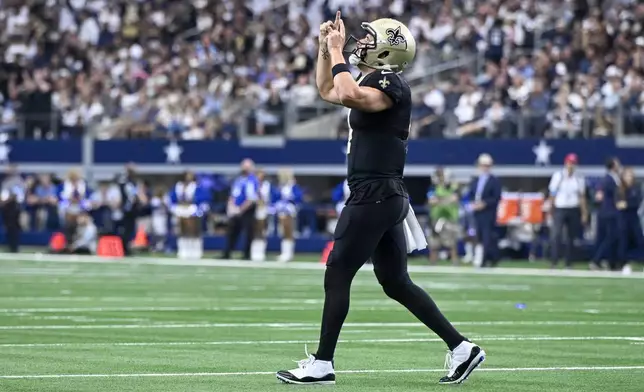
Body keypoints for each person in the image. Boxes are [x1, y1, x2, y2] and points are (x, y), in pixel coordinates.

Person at [276, 12, 485, 386]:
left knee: (338, 271)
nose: (363, 42)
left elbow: (347, 93)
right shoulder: (372, 78)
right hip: (382, 194)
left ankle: (323, 363)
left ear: (389, 51)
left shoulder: (391, 83)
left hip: (375, 192)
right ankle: (462, 348)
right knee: (395, 281)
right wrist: (325, 50)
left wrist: (337, 50)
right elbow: (328, 90)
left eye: (371, 39)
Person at [547, 153, 587, 269]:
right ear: (566, 163)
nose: (571, 165)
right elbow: (552, 193)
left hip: (573, 208)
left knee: (571, 237)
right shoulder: (558, 176)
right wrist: (550, 208)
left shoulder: (579, 178)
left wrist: (584, 212)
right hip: (560, 208)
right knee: (556, 235)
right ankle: (554, 260)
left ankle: (569, 262)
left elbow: (581, 196)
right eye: (570, 163)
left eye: (573, 163)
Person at [468, 154, 501, 267]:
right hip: (477, 212)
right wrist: (473, 203)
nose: (485, 167)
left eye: (487, 165)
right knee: (479, 236)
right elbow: (472, 194)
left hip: (488, 212)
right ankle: (480, 257)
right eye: (483, 165)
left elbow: (496, 197)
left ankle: (486, 260)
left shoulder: (494, 181)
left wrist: (484, 204)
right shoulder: (475, 180)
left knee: (487, 236)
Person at [222, 159, 258, 260]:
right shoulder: (238, 179)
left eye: (247, 167)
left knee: (248, 232)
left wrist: (241, 209)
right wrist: (231, 207)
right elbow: (233, 195)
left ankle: (247, 254)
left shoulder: (252, 180)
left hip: (247, 209)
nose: (244, 169)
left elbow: (251, 198)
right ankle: (227, 252)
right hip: (236, 208)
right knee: (232, 231)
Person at [169, 171, 209, 259]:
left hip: (192, 208)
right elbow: (172, 199)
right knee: (182, 230)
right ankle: (182, 250)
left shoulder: (196, 186)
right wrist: (175, 208)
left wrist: (199, 210)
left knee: (194, 230)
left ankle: (196, 250)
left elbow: (202, 199)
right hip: (180, 208)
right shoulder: (178, 186)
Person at [592, 157, 622, 270]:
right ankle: (597, 259)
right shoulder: (609, 179)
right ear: (613, 166)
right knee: (610, 237)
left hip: (609, 211)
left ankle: (611, 262)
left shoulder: (613, 178)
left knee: (612, 238)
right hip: (609, 212)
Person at [427, 167, 460, 264]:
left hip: (450, 217)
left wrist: (440, 199)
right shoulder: (433, 187)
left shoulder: (453, 187)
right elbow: (432, 201)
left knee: (452, 243)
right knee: (434, 243)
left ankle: (455, 262)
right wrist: (445, 200)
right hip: (436, 217)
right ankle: (432, 263)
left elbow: (454, 199)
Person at [617, 167, 643, 274]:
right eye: (627, 175)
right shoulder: (620, 189)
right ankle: (624, 264)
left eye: (630, 175)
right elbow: (618, 203)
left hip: (634, 217)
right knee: (624, 241)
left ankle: (641, 261)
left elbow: (636, 202)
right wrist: (624, 204)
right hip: (623, 218)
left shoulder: (636, 188)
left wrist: (626, 204)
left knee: (639, 240)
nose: (629, 177)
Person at [274, 168, 303, 262]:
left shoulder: (292, 186)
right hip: (281, 210)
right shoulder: (281, 186)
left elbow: (298, 197)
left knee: (289, 231)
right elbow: (276, 197)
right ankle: (284, 252)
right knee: (283, 231)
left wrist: (290, 200)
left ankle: (289, 253)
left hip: (290, 210)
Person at [250, 169, 272, 262]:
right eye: (259, 175)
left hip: (263, 209)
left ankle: (261, 251)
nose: (260, 177)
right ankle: (254, 251)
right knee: (254, 231)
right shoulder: (252, 184)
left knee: (262, 230)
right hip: (253, 209)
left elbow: (268, 197)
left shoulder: (267, 185)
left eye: (262, 175)